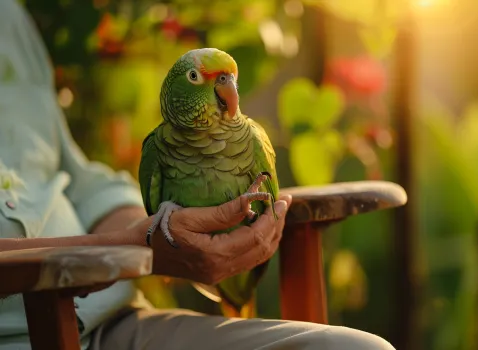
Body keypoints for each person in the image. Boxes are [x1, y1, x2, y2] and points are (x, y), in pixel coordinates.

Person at [0, 1, 395, 349]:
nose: (226, 86)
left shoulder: (10, 18)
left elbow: (83, 181)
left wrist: (158, 232)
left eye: (228, 78)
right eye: (200, 79)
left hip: (119, 320)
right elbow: (137, 238)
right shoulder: (158, 150)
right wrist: (132, 245)